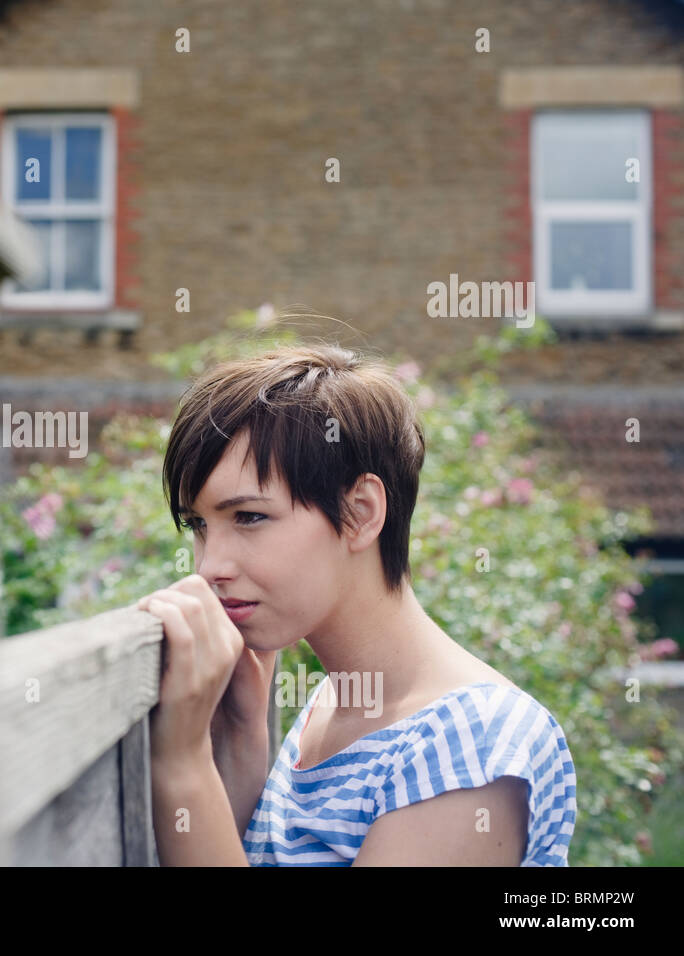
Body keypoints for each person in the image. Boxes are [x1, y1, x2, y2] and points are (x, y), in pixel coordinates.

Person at [137, 342, 578, 866]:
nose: (210, 566)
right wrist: (241, 738)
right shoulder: (328, 708)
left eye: (249, 517)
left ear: (360, 513)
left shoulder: (469, 746)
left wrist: (182, 763)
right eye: (199, 526)